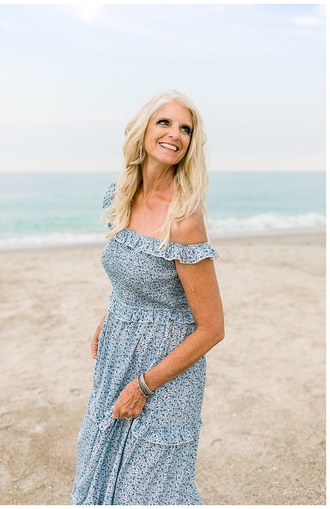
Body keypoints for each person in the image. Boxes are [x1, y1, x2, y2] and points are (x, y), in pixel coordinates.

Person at [71, 91, 225, 504]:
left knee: (148, 490)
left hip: (167, 369)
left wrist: (144, 385)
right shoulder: (119, 195)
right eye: (165, 123)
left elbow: (212, 329)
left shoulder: (184, 220)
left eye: (186, 129)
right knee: (99, 463)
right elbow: (127, 274)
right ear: (142, 130)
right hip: (118, 352)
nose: (176, 134)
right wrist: (111, 314)